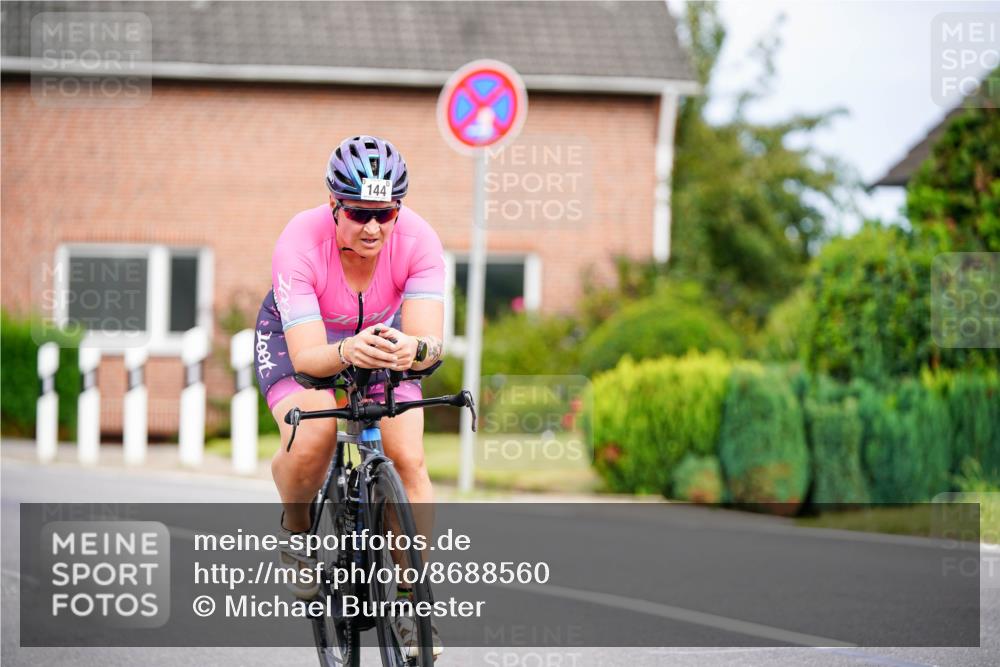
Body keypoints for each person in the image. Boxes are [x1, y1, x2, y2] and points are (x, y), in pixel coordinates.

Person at [254, 135, 445, 658]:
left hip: (383, 345)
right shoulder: (299, 241)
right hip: (304, 344)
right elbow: (312, 357)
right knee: (314, 432)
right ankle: (297, 534)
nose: (374, 228)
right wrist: (347, 353)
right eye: (360, 214)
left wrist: (414, 348)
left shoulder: (420, 240)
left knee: (408, 457)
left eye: (386, 214)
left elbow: (430, 345)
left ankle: (408, 599)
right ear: (335, 206)